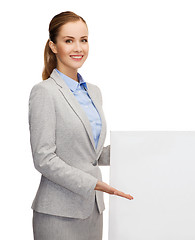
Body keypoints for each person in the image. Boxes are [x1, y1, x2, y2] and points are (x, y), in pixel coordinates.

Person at [28, 11, 133, 240]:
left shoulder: (93, 92)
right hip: (58, 213)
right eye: (69, 41)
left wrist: (136, 148)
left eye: (83, 40)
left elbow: (90, 154)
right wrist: (93, 183)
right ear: (53, 46)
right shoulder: (44, 92)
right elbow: (44, 158)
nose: (78, 48)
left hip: (93, 211)